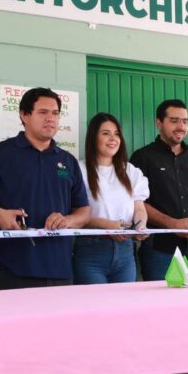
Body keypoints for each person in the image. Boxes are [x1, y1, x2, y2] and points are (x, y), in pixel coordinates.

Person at [0, 87, 90, 289]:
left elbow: (84, 211)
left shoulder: (68, 160)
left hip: (60, 269)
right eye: (43, 112)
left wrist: (67, 220)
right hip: (13, 268)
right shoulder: (0, 154)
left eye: (55, 113)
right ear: (24, 115)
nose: (50, 118)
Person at [130, 99, 188, 280]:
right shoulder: (143, 157)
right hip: (159, 249)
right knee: (160, 304)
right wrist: (172, 224)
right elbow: (137, 204)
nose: (181, 126)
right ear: (159, 123)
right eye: (174, 121)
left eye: (185, 121)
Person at [74, 113, 149, 284]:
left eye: (116, 134)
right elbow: (73, 215)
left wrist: (140, 226)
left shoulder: (130, 171)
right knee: (95, 307)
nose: (113, 138)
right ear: (93, 137)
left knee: (123, 307)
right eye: (106, 133)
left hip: (125, 252)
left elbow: (139, 208)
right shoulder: (79, 170)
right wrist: (108, 226)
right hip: (91, 250)